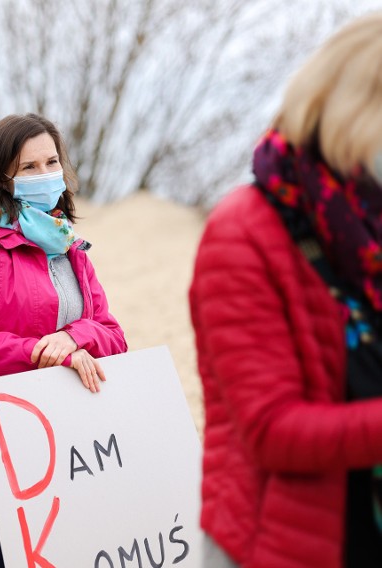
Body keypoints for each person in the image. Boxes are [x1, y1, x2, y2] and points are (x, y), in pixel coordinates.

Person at [188, 13, 382, 568]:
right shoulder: (244, 230)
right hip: (281, 540)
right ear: (355, 113)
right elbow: (274, 431)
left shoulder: (373, 222)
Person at [0, 113, 128, 566]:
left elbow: (113, 334)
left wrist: (73, 338)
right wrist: (41, 353)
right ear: (3, 178)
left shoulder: (70, 246)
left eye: (51, 162)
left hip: (73, 438)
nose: (44, 175)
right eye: (29, 167)